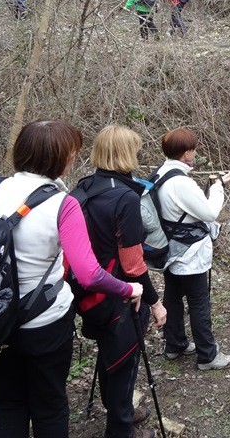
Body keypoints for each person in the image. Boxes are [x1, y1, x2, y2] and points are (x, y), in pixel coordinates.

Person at [0, 119, 143, 438]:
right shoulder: (61, 204)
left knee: (8, 403)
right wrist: (129, 287)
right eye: (72, 153)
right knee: (50, 406)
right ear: (61, 158)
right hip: (43, 324)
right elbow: (89, 273)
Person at [75, 125, 167, 438]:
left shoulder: (84, 186)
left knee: (108, 351)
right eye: (136, 150)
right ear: (127, 154)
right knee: (124, 359)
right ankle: (121, 429)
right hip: (121, 293)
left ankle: (122, 411)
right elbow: (133, 263)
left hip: (87, 288)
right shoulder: (125, 197)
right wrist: (155, 302)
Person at [152, 128, 230, 370]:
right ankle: (207, 356)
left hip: (169, 249)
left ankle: (175, 344)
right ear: (188, 151)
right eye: (194, 149)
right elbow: (209, 212)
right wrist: (218, 185)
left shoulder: (159, 173)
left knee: (173, 297)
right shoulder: (181, 182)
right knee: (199, 302)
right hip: (189, 253)